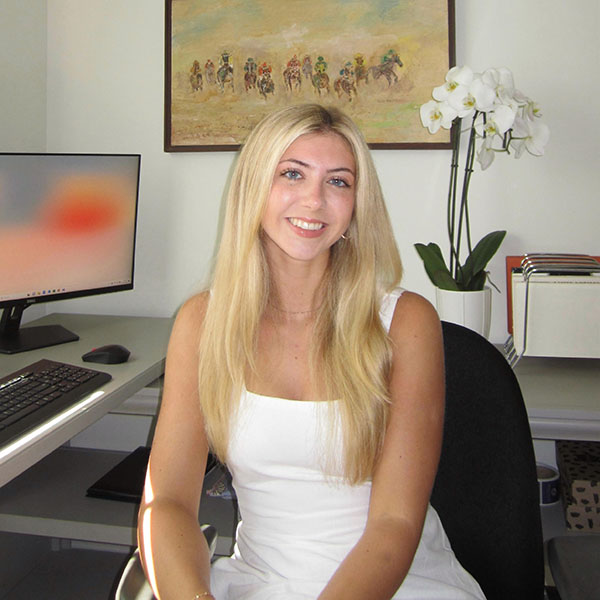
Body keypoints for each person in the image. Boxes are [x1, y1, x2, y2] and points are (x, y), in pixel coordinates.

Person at [138, 104, 485, 600]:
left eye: (339, 182)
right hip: (260, 582)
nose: (314, 200)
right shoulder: (202, 322)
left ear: (356, 207)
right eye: (292, 174)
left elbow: (395, 523)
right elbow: (166, 502)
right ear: (254, 187)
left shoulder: (405, 323)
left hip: (395, 582)